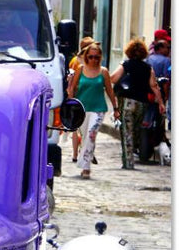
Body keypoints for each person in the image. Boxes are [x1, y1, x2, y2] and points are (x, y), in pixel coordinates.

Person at [110, 38, 166, 169]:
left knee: (126, 131)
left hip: (127, 101)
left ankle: (128, 162)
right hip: (142, 103)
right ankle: (131, 154)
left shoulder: (125, 64)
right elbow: (154, 86)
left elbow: (113, 78)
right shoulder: (148, 68)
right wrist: (161, 103)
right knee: (135, 130)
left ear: (129, 51)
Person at [66, 43, 119, 179]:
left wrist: (115, 108)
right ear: (86, 57)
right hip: (82, 109)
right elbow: (72, 88)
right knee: (85, 137)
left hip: (98, 109)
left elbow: (110, 90)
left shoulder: (104, 72)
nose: (94, 60)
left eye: (97, 57)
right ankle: (86, 157)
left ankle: (86, 166)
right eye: (91, 57)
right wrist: (71, 103)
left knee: (91, 135)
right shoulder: (80, 69)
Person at [68, 36, 95, 163]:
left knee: (78, 126)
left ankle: (78, 153)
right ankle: (81, 151)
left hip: (80, 96)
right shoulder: (81, 62)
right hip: (82, 96)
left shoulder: (77, 60)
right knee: (82, 126)